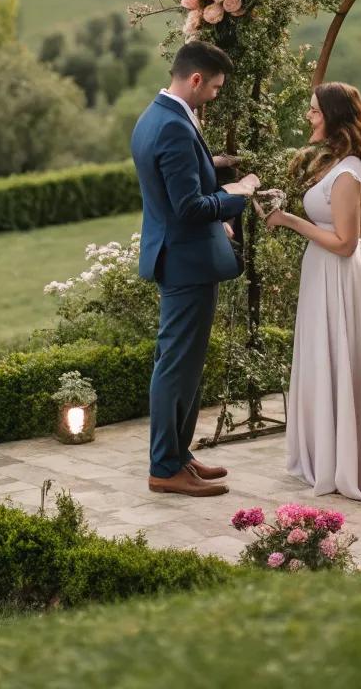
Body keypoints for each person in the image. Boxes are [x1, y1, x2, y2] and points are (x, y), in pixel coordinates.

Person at [262, 81, 361, 500]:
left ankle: (342, 462)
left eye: (315, 111)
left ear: (335, 117)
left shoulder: (348, 173)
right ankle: (322, 453)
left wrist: (287, 221)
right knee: (322, 355)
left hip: (336, 275)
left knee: (336, 353)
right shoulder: (336, 163)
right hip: (322, 273)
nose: (309, 116)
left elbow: (345, 243)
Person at [131, 41, 260, 497]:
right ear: (196, 80)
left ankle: (180, 455)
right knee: (175, 367)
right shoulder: (172, 127)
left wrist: (215, 167)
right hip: (185, 262)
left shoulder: (155, 116)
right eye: (216, 88)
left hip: (182, 257)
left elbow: (177, 183)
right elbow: (187, 208)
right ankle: (165, 467)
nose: (216, 96)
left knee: (184, 366)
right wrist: (239, 192)